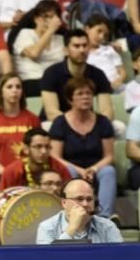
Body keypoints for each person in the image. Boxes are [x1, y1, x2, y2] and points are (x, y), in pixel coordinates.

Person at [49, 77, 118, 220]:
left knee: (109, 171)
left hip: (96, 169)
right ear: (70, 99)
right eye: (80, 94)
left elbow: (109, 156)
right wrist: (80, 171)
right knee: (71, 171)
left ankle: (104, 218)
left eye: (88, 93)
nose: (85, 97)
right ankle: (76, 215)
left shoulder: (103, 122)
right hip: (71, 168)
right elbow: (55, 156)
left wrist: (93, 169)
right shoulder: (60, 123)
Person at [0, 73, 42, 191]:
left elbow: (39, 150)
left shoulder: (32, 119)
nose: (15, 90)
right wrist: (7, 173)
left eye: (18, 87)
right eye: (9, 87)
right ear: (1, 92)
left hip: (27, 174)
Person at [40, 29, 115, 126]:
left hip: (88, 122)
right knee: (46, 126)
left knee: (119, 127)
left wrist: (93, 125)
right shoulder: (51, 73)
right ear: (66, 50)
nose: (82, 50)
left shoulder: (98, 74)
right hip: (59, 123)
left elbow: (107, 111)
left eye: (85, 45)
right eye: (76, 46)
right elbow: (52, 112)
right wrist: (76, 124)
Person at [36, 177, 122, 243]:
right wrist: (72, 229)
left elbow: (120, 259)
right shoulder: (47, 227)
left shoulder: (107, 227)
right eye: (79, 199)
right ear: (64, 203)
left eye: (89, 199)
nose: (85, 204)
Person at [10, 0, 65, 95]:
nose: (48, 21)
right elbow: (34, 54)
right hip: (32, 80)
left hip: (56, 82)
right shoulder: (25, 34)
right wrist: (50, 30)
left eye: (52, 17)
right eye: (45, 17)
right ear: (36, 19)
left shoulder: (60, 39)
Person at [0, 127, 71, 191]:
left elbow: (69, 196)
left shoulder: (60, 169)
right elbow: (0, 201)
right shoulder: (11, 172)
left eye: (47, 147)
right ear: (26, 149)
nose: (44, 151)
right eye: (38, 147)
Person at [85, 15, 126, 92]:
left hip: (116, 87)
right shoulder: (82, 53)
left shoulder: (108, 50)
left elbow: (122, 71)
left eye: (105, 35)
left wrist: (119, 80)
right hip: (97, 89)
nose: (101, 37)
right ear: (87, 29)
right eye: (99, 31)